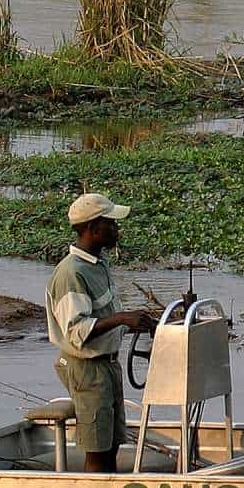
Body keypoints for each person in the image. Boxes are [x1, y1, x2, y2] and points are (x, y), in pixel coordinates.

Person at [46, 193, 157, 473]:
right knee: (97, 450)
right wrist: (121, 318)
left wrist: (133, 322)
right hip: (88, 369)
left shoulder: (98, 263)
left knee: (112, 444)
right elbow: (76, 331)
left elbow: (102, 315)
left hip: (107, 365)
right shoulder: (71, 273)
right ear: (93, 228)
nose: (117, 229)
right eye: (111, 224)